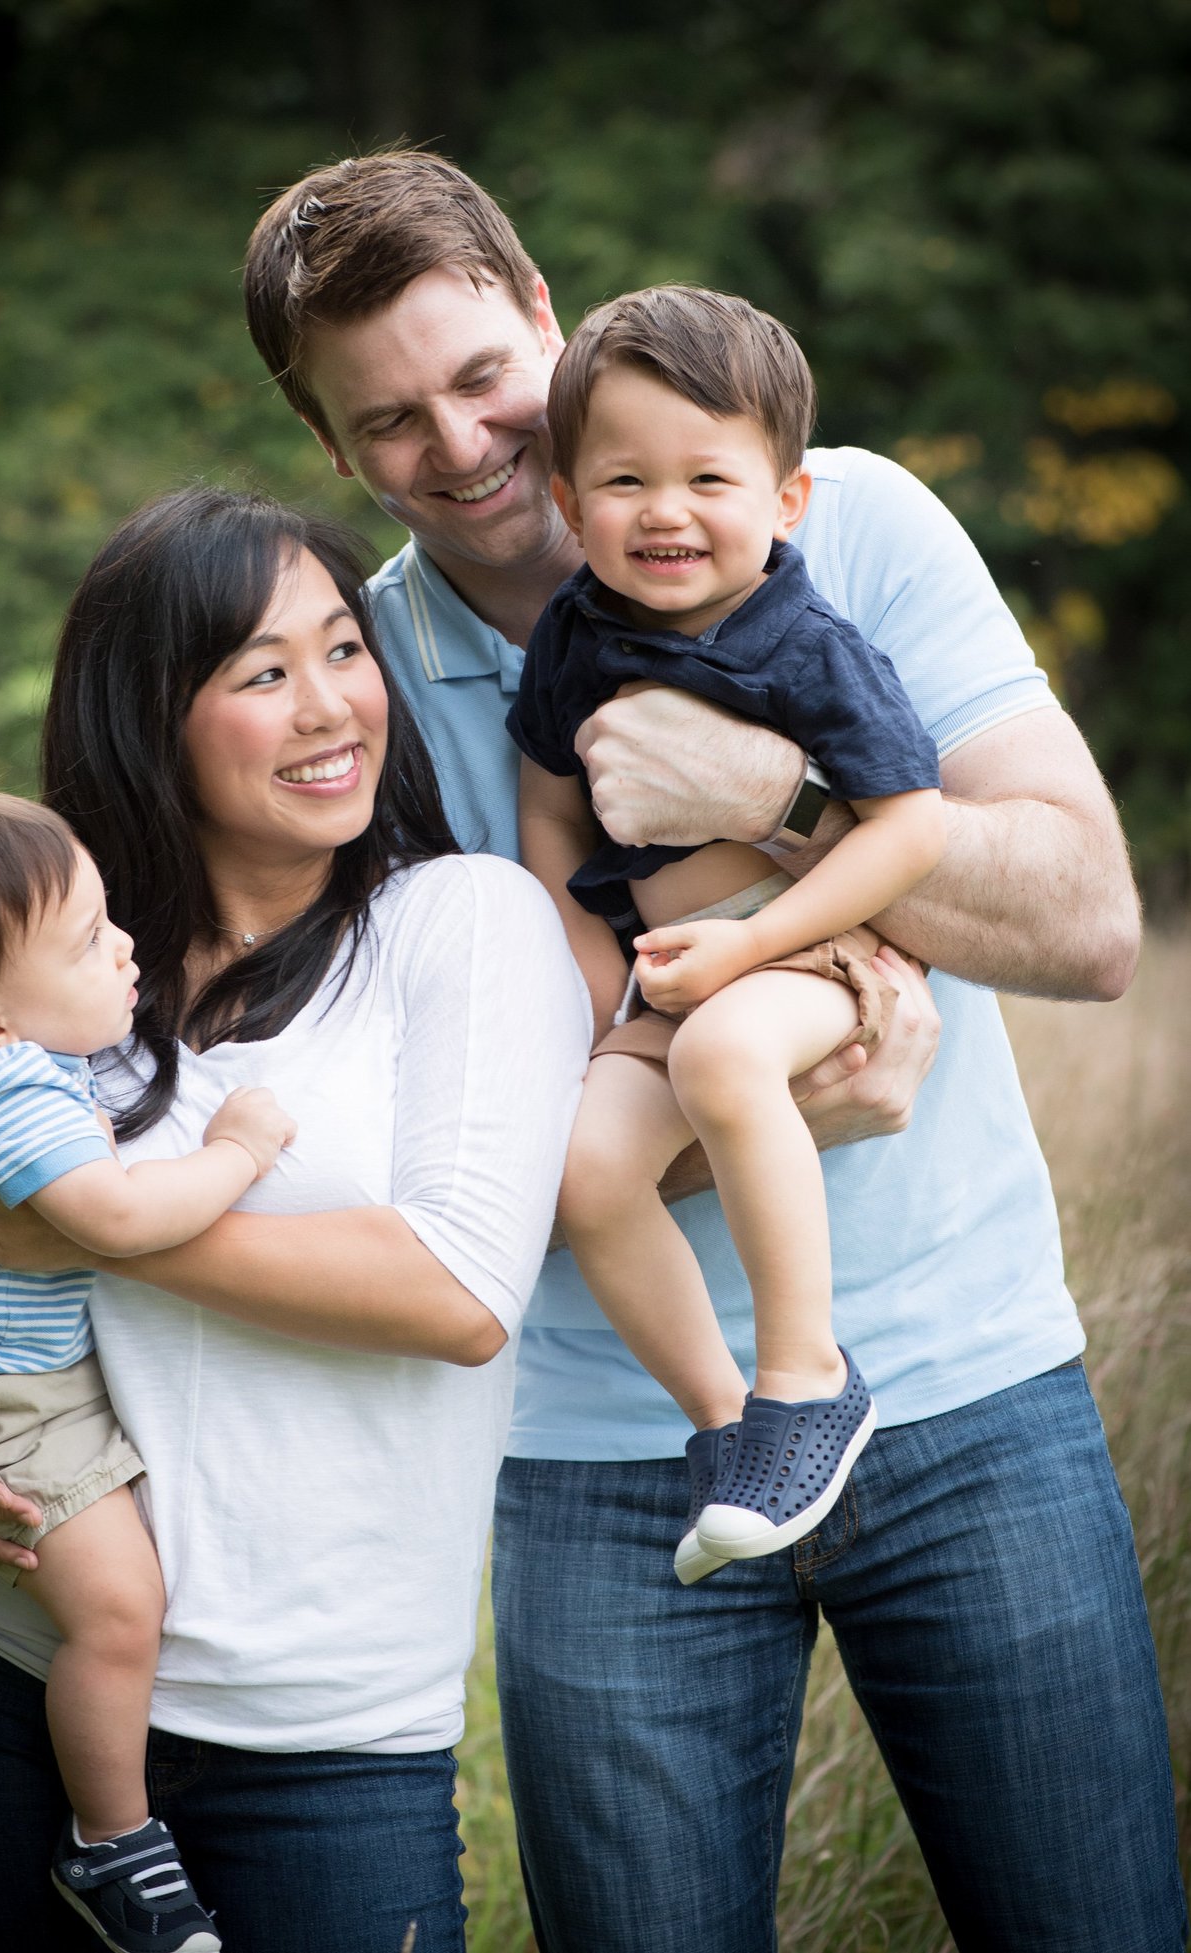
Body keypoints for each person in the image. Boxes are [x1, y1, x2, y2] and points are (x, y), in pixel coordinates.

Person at [235, 151, 1186, 1953]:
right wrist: (732, 1091)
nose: (462, 445)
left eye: (482, 378)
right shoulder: (353, 687)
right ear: (330, 445)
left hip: (971, 1389)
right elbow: (411, 1130)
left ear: (543, 310)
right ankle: (752, 1415)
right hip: (607, 1452)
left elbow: (1090, 919)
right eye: (390, 421)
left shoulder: (852, 520)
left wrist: (777, 797)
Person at [0, 485, 591, 1953]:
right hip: (15, 1675)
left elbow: (456, 1292)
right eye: (262, 672)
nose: (331, 706)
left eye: (344, 649)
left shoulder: (463, 922)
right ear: (148, 717)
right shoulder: (54, 963)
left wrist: (99, 1228)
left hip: (321, 1737)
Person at [511, 284, 948, 1580]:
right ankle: (726, 1426)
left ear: (785, 499)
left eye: (709, 478)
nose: (666, 511)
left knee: (721, 1056)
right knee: (590, 1163)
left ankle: (806, 1381)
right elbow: (551, 806)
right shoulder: (575, 633)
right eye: (625, 480)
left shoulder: (804, 643)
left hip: (805, 950)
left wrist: (751, 952)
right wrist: (598, 982)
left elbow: (910, 828)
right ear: (569, 501)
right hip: (674, 980)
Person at [0, 786, 298, 1953]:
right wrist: (239, 1150)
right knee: (121, 1614)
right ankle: (112, 1842)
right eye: (90, 942)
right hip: (10, 1400)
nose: (126, 947)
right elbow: (120, 1220)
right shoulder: (5, 1088)